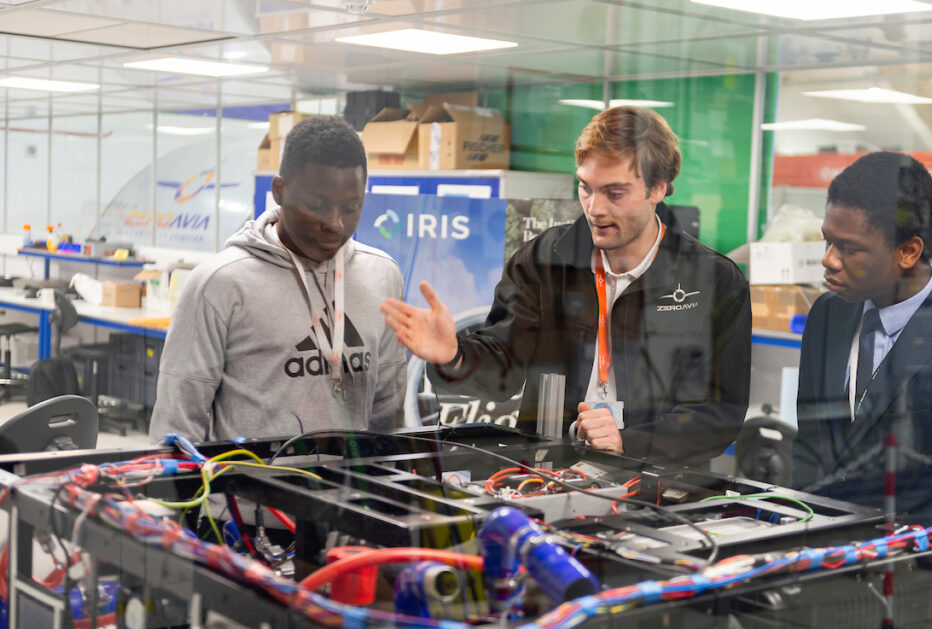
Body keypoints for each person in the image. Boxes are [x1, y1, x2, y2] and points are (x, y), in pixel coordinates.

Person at [381, 106, 751, 468]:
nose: (594, 208)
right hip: (548, 477)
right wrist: (454, 355)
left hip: (660, 489)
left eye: (615, 193)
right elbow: (504, 365)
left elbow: (720, 414)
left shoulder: (713, 281)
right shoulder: (545, 260)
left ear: (657, 188)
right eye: (585, 188)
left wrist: (631, 441)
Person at [792, 151, 932, 535]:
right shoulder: (827, 317)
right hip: (818, 558)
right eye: (827, 241)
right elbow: (811, 443)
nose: (829, 260)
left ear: (908, 251)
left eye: (849, 248)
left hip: (914, 580)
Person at [149, 116, 406, 443]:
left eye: (351, 207)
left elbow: (388, 413)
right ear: (279, 192)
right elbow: (177, 427)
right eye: (317, 205)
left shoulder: (382, 275)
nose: (335, 223)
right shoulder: (221, 283)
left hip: (351, 493)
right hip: (246, 493)